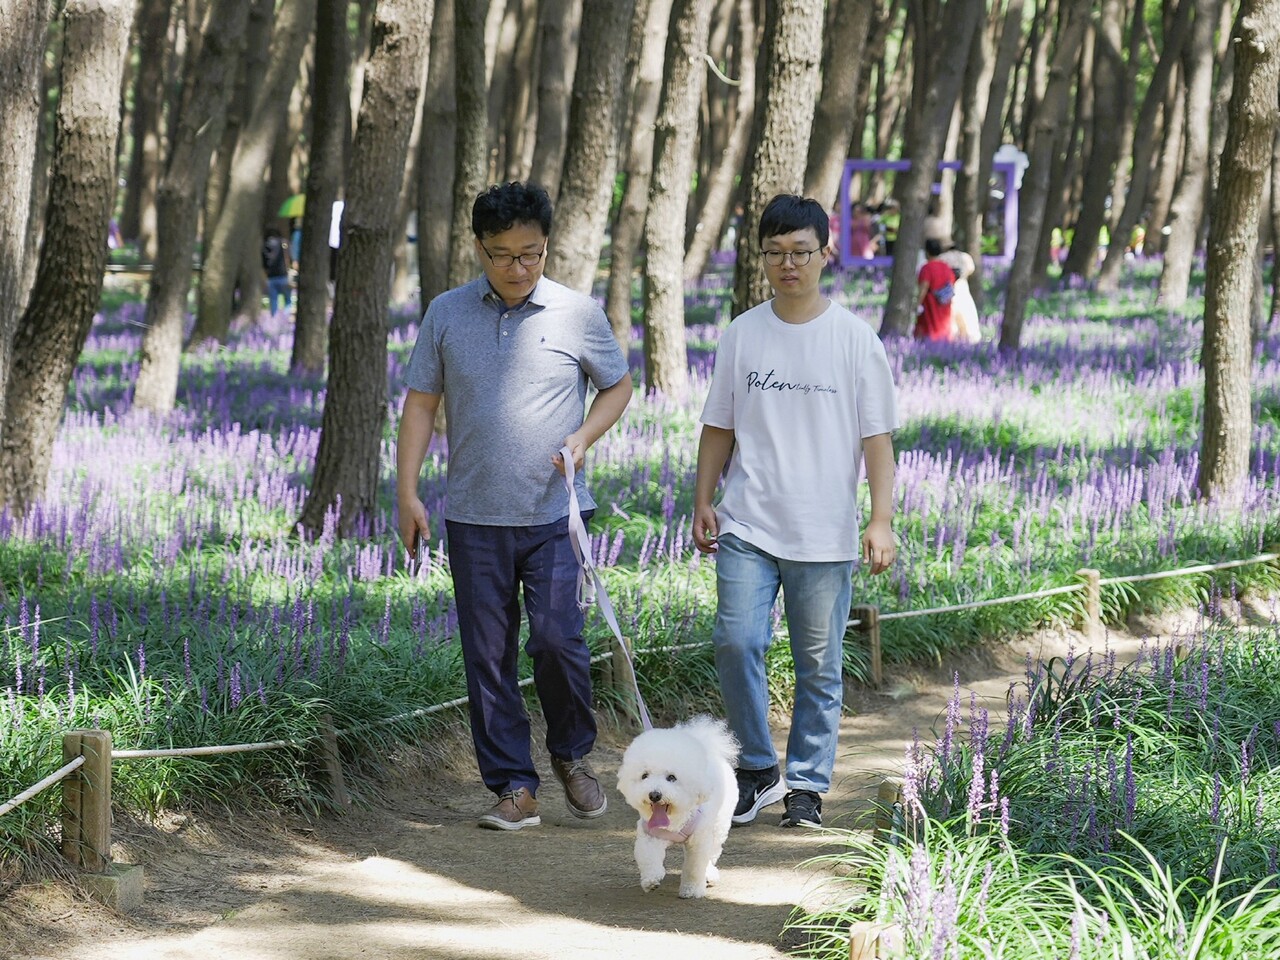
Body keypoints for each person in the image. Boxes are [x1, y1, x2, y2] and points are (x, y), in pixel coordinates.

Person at [396, 181, 633, 832]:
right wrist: (408, 493)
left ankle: (572, 756)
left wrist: (583, 437)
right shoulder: (446, 313)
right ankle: (513, 786)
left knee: (558, 640)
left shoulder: (577, 313)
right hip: (473, 516)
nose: (518, 268)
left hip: (555, 514)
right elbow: (420, 404)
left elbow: (617, 387)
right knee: (487, 656)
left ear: (546, 246)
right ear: (479, 248)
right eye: (502, 255)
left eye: (531, 254)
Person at [692, 194, 899, 829]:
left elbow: (877, 441)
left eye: (801, 252)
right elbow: (718, 426)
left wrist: (881, 519)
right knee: (735, 641)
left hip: (823, 532)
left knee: (818, 666)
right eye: (776, 253)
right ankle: (757, 770)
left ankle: (807, 785)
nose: (789, 264)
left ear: (825, 253)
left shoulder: (855, 340)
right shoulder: (743, 333)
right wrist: (703, 499)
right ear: (761, 257)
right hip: (747, 522)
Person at [939, 243, 981, 344]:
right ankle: (970, 340)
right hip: (962, 289)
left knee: (950, 318)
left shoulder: (942, 257)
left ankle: (952, 340)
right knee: (967, 316)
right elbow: (971, 269)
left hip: (948, 289)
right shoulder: (965, 257)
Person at [915, 237, 954, 342]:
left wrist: (917, 304)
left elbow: (923, 288)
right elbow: (951, 284)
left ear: (927, 252)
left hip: (930, 304)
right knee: (944, 329)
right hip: (945, 303)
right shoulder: (946, 267)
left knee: (931, 331)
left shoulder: (927, 268)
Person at [261, 227, 291, 317]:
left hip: (271, 277)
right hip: (282, 275)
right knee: (288, 299)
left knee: (273, 301)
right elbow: (287, 257)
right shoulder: (283, 243)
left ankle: (275, 319)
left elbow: (263, 263)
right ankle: (286, 317)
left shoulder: (265, 246)